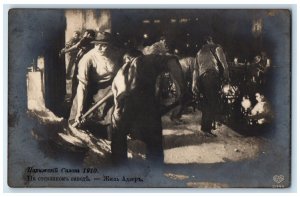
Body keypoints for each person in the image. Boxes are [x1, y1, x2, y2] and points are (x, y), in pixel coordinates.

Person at [68, 32, 119, 128]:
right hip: (89, 87)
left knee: (110, 117)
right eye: (96, 45)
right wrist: (80, 110)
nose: (99, 48)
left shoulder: (116, 54)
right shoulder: (87, 59)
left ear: (109, 45)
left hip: (109, 87)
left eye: (103, 45)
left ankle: (107, 138)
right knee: (77, 118)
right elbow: (82, 86)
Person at [192, 36, 230, 137]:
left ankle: (205, 127)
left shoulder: (199, 52)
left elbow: (195, 70)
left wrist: (194, 83)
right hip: (211, 77)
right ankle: (207, 129)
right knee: (212, 102)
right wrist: (227, 76)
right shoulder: (216, 48)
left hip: (201, 79)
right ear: (210, 40)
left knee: (206, 103)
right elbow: (224, 64)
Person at [60, 29, 96, 99]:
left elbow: (76, 46)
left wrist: (65, 51)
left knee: (76, 80)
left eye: (85, 34)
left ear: (88, 34)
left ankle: (74, 97)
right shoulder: (93, 41)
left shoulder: (85, 39)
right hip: (87, 63)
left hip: (81, 62)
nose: (83, 35)